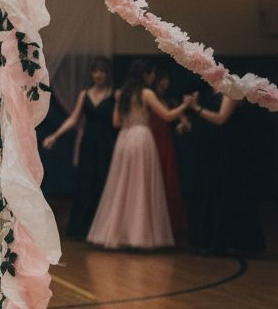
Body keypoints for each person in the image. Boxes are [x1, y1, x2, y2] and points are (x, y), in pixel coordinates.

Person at [86, 60, 195, 250]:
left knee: (123, 186)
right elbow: (167, 116)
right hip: (141, 137)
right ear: (146, 75)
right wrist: (186, 105)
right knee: (140, 186)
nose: (153, 77)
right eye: (152, 74)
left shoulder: (124, 93)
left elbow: (116, 122)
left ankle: (120, 233)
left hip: (125, 138)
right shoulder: (146, 93)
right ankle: (138, 235)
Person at [42, 57, 115, 239]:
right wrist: (54, 136)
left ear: (108, 74)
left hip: (107, 143)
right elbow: (74, 119)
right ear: (92, 74)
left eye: (103, 71)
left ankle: (102, 230)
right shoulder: (85, 94)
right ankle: (80, 229)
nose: (99, 75)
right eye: (96, 71)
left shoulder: (115, 95)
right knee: (85, 183)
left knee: (103, 183)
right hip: (88, 143)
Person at [188, 93, 266, 255]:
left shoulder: (232, 90)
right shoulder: (210, 91)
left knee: (230, 193)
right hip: (215, 150)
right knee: (215, 193)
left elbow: (221, 118)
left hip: (230, 151)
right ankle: (213, 241)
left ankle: (233, 242)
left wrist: (196, 108)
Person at [149, 69, 187, 237]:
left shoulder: (170, 100)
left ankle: (169, 224)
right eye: (162, 79)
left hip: (165, 144)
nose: (165, 82)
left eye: (167, 79)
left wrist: (183, 125)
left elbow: (183, 120)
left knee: (168, 182)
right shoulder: (149, 98)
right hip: (150, 143)